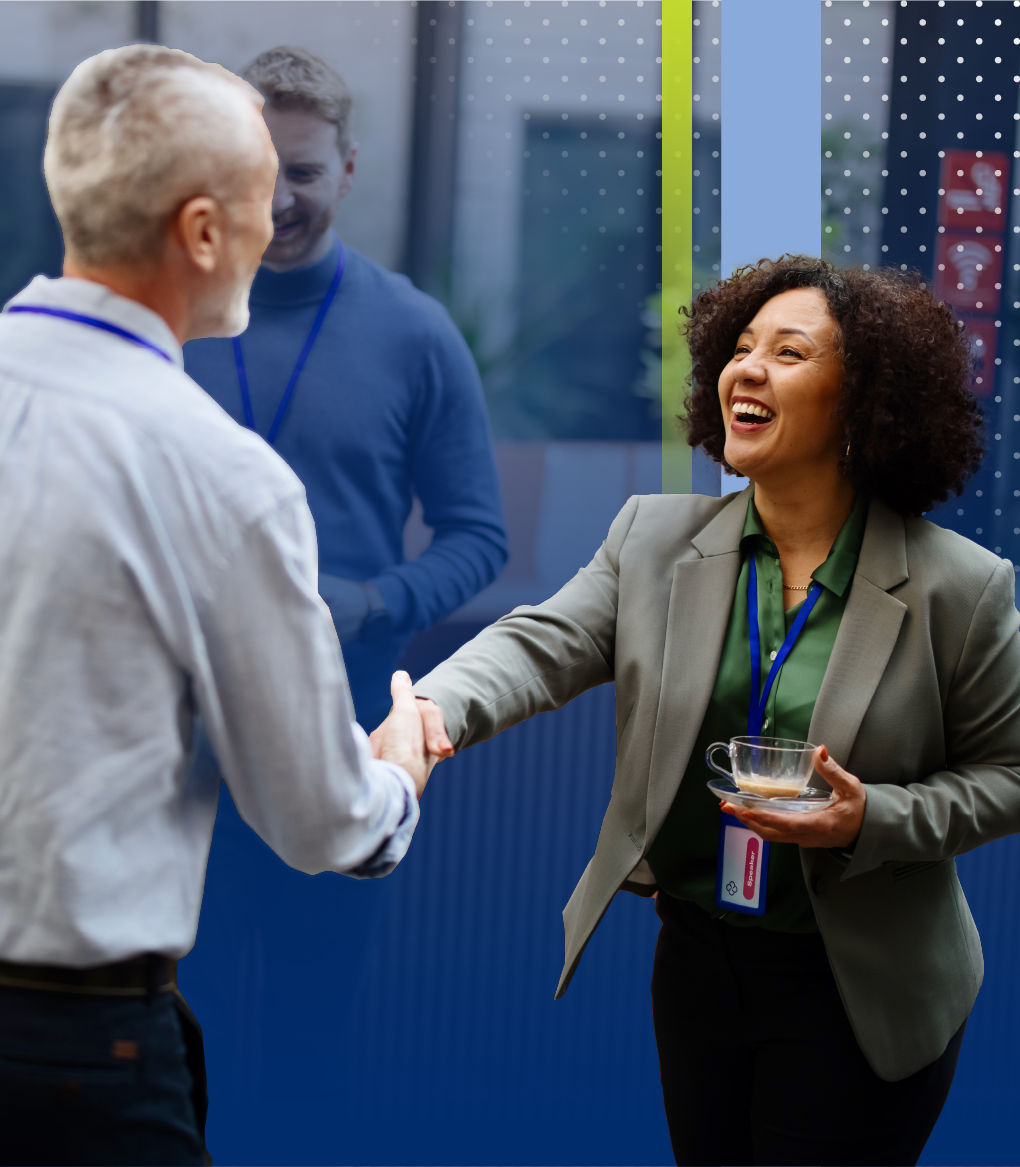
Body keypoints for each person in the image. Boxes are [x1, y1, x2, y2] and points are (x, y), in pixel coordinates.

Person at [387, 255, 1020, 1165]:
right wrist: (435, 708)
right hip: (698, 967)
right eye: (742, 346)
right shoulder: (651, 537)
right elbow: (535, 643)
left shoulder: (962, 585)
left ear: (866, 397)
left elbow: (1009, 773)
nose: (746, 368)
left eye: (789, 351)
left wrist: (868, 818)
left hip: (861, 987)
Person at [0, 45, 431, 1166]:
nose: (273, 224)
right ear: (201, 231)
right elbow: (319, 819)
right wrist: (395, 775)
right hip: (70, 1050)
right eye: (254, 200)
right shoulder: (223, 475)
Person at [184, 44, 508, 733]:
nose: (276, 199)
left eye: (302, 172)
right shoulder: (159, 312)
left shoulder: (416, 331)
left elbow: (477, 536)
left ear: (349, 170)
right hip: (162, 720)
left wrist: (373, 604)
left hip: (337, 722)